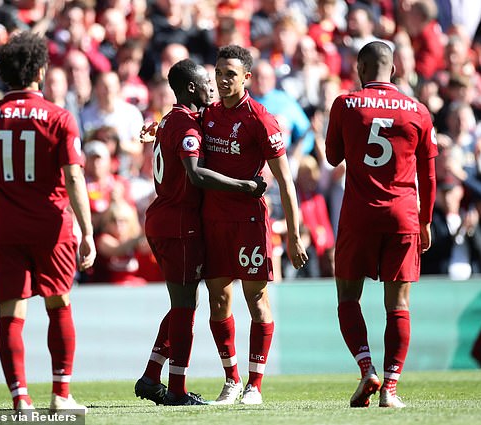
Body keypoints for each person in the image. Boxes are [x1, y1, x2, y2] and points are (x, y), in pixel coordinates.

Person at [0, 32, 95, 414]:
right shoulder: (59, 117)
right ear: (40, 72)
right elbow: (73, 177)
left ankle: (20, 399)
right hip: (51, 228)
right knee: (59, 303)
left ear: (3, 74)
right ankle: (60, 395)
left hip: (5, 229)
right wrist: (87, 231)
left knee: (11, 313)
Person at [134, 58, 267, 406]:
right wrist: (246, 186)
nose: (213, 87)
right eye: (208, 82)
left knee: (183, 302)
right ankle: (176, 390)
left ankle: (151, 376)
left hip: (164, 218)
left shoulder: (173, 119)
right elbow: (195, 173)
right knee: (184, 308)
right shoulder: (186, 126)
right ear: (192, 88)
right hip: (180, 224)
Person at [325, 41, 438, 409]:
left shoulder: (345, 104)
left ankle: (366, 368)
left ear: (360, 69)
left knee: (347, 297)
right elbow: (429, 176)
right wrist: (426, 220)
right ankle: (390, 388)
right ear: (393, 69)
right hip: (402, 214)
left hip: (358, 214)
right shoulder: (418, 111)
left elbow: (332, 157)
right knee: (398, 304)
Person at [201, 45, 308, 405]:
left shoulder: (261, 119)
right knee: (218, 299)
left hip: (249, 222)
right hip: (214, 220)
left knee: (256, 299)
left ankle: (255, 385)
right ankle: (231, 380)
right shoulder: (208, 113)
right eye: (218, 73)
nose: (222, 80)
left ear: (246, 78)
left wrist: (294, 235)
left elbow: (286, 181)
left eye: (230, 74)